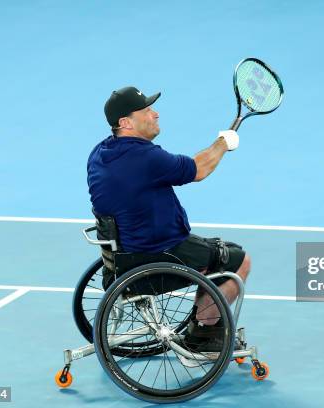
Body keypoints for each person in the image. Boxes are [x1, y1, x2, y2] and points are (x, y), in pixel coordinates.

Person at [87, 86, 250, 351]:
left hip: (120, 261)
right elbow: (198, 170)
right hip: (157, 257)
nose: (155, 114)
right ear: (125, 123)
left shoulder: (99, 153)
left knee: (217, 250)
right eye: (147, 110)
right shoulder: (146, 158)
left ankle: (203, 325)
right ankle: (204, 335)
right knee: (238, 260)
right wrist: (223, 143)